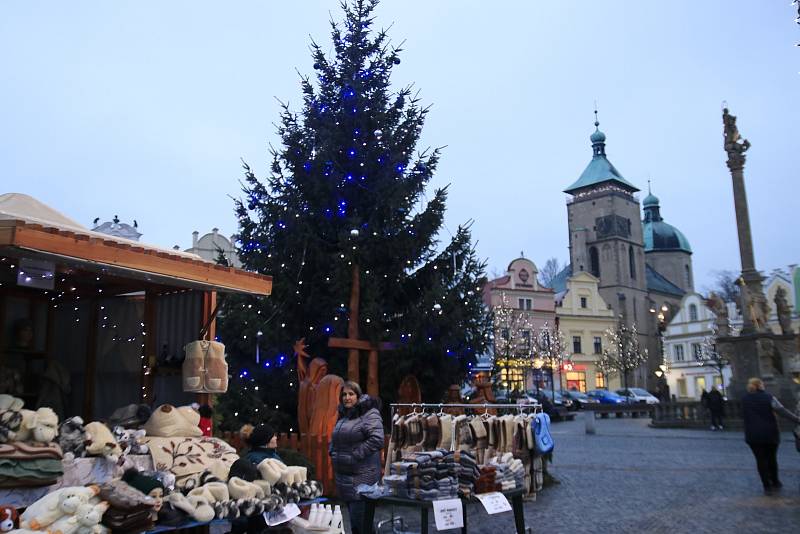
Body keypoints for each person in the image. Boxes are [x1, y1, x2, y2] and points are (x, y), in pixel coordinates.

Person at [329, 381, 384, 534]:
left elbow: (377, 439)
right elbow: (335, 438)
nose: (347, 398)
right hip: (344, 478)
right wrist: (331, 450)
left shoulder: (369, 414)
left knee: (362, 524)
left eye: (351, 394)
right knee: (355, 524)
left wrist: (355, 454)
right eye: (344, 395)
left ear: (358, 396)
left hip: (362, 479)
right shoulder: (344, 416)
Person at [741, 377, 800, 494]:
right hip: (769, 433)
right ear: (760, 386)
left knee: (760, 459)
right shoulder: (769, 398)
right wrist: (797, 419)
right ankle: (775, 481)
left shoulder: (745, 399)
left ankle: (766, 484)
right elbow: (782, 411)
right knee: (771, 458)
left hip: (752, 434)